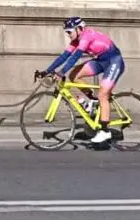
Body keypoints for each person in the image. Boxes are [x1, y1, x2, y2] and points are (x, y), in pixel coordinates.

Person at [41, 16, 125, 144]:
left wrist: (61, 72)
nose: (68, 34)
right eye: (66, 32)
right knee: (74, 75)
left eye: (69, 31)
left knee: (103, 94)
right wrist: (46, 71)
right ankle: (92, 102)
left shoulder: (87, 36)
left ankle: (105, 131)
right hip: (100, 61)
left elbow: (75, 57)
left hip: (114, 61)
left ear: (79, 29)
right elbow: (64, 57)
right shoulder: (76, 40)